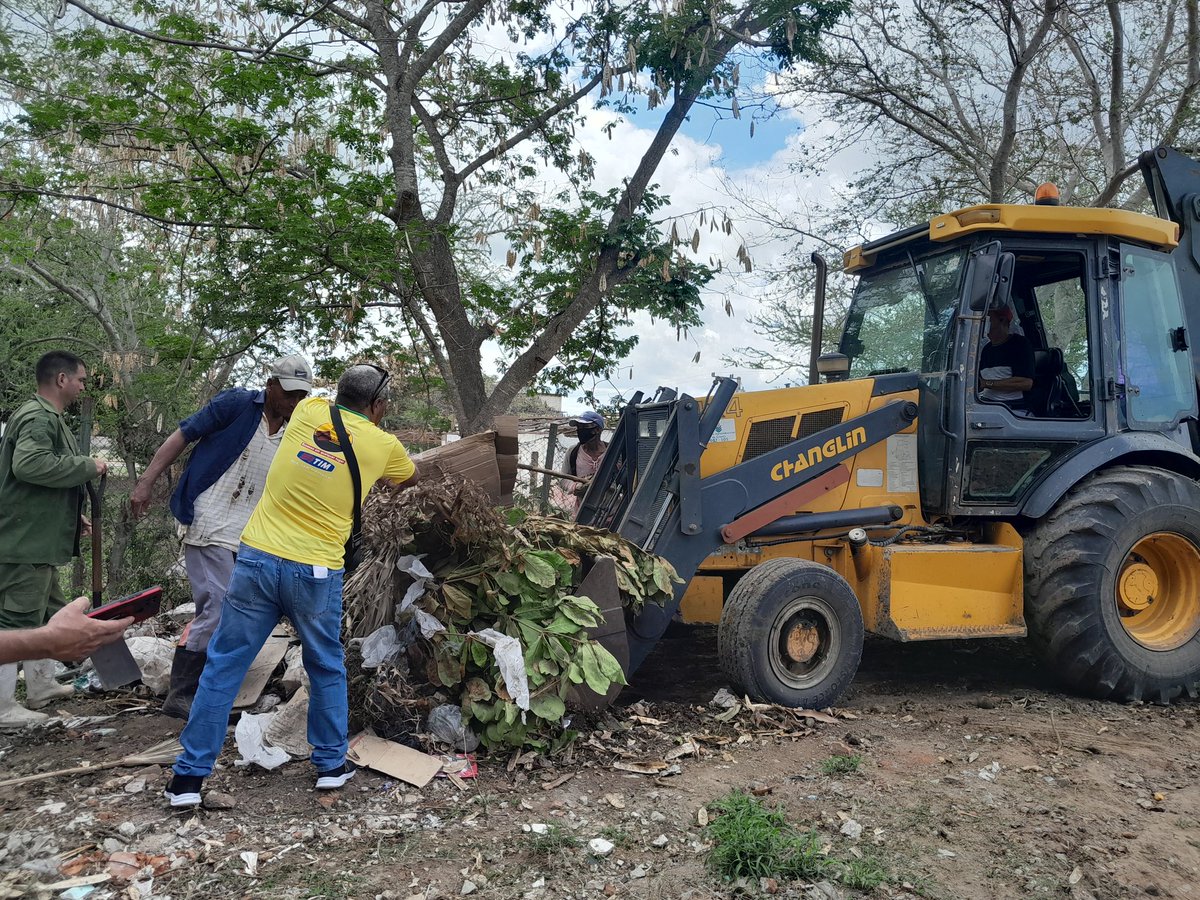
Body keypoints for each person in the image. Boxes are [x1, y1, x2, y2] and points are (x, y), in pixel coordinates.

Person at [165, 364, 419, 808]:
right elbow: (411, 479)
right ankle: (329, 767)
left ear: (337, 392)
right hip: (316, 571)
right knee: (325, 666)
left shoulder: (307, 413)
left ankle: (187, 779)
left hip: (256, 560)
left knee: (223, 667)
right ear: (379, 406)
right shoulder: (385, 446)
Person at [130, 354, 313, 719]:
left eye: (301, 397)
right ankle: (183, 694)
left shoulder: (296, 429)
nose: (294, 403)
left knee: (238, 607)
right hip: (208, 519)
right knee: (219, 604)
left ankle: (211, 687)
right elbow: (182, 434)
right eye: (289, 394)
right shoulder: (237, 404)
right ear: (271, 385)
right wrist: (146, 481)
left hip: (249, 531)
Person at [0, 350, 108, 728]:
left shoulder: (49, 418)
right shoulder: (37, 416)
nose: (82, 386)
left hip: (36, 538)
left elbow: (33, 482)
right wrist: (87, 466)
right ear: (61, 380)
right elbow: (28, 465)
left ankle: (41, 686)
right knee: (15, 619)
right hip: (23, 541)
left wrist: (70, 514)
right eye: (79, 379)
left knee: (48, 612)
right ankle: (2, 707)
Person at [0, 598, 132, 666]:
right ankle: (5, 704)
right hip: (25, 556)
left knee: (51, 608)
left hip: (51, 556)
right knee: (18, 617)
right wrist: (51, 641)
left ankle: (42, 685)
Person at [979, 306, 1035, 411]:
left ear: (1002, 320)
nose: (982, 322)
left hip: (1013, 412)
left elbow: (1026, 383)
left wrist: (987, 384)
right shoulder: (986, 349)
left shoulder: (1020, 344)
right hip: (986, 406)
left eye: (987, 318)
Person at [561, 411, 607, 514]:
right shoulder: (573, 452)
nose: (580, 431)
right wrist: (575, 487)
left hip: (611, 514)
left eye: (584, 427)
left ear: (598, 429)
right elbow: (563, 479)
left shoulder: (612, 453)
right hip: (582, 513)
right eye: (579, 427)